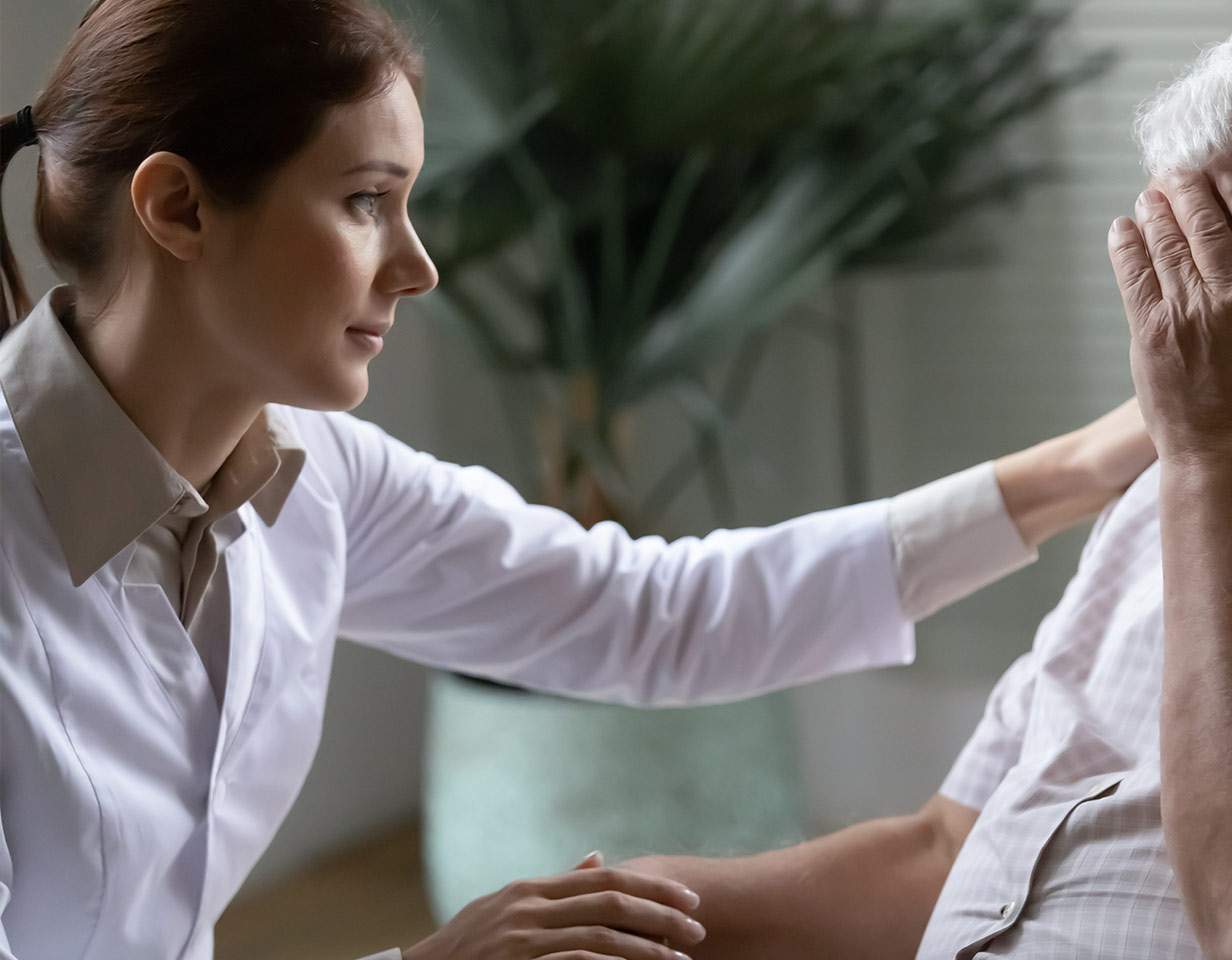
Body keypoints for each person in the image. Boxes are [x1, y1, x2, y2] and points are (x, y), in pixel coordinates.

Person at [0, 2, 1157, 959]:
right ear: (179, 208)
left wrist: (1086, 466)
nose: (418, 266)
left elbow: (646, 614)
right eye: (364, 200)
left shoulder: (317, 474)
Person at [617, 5, 1232, 959]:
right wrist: (620, 905)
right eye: (1162, 252)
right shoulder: (1169, 485)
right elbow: (948, 851)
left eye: (1224, 271)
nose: (1172, 328)